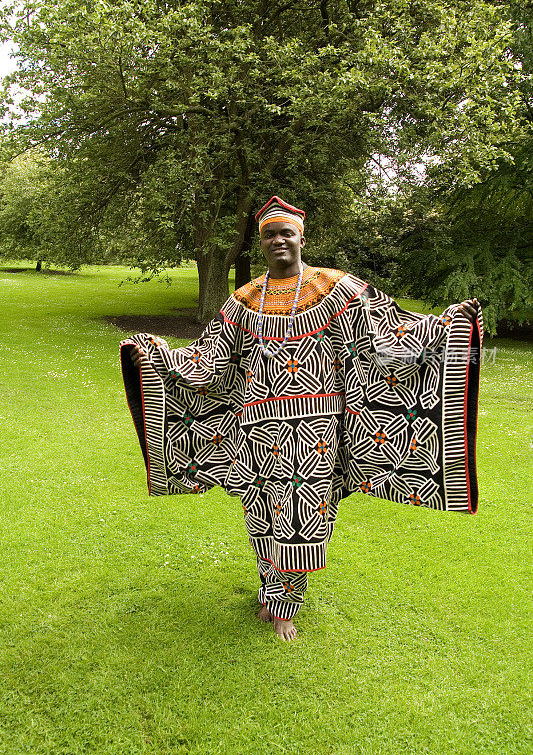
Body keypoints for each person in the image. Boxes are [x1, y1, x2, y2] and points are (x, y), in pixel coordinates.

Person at [121, 196, 482, 641]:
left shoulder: (337, 289)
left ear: (301, 237)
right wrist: (157, 354)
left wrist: (444, 327)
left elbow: (388, 336)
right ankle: (269, 590)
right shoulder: (242, 301)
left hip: (315, 432)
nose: (278, 240)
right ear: (260, 242)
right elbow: (211, 361)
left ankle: (285, 606)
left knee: (301, 521)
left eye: (285, 232)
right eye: (269, 234)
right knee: (262, 517)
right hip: (254, 429)